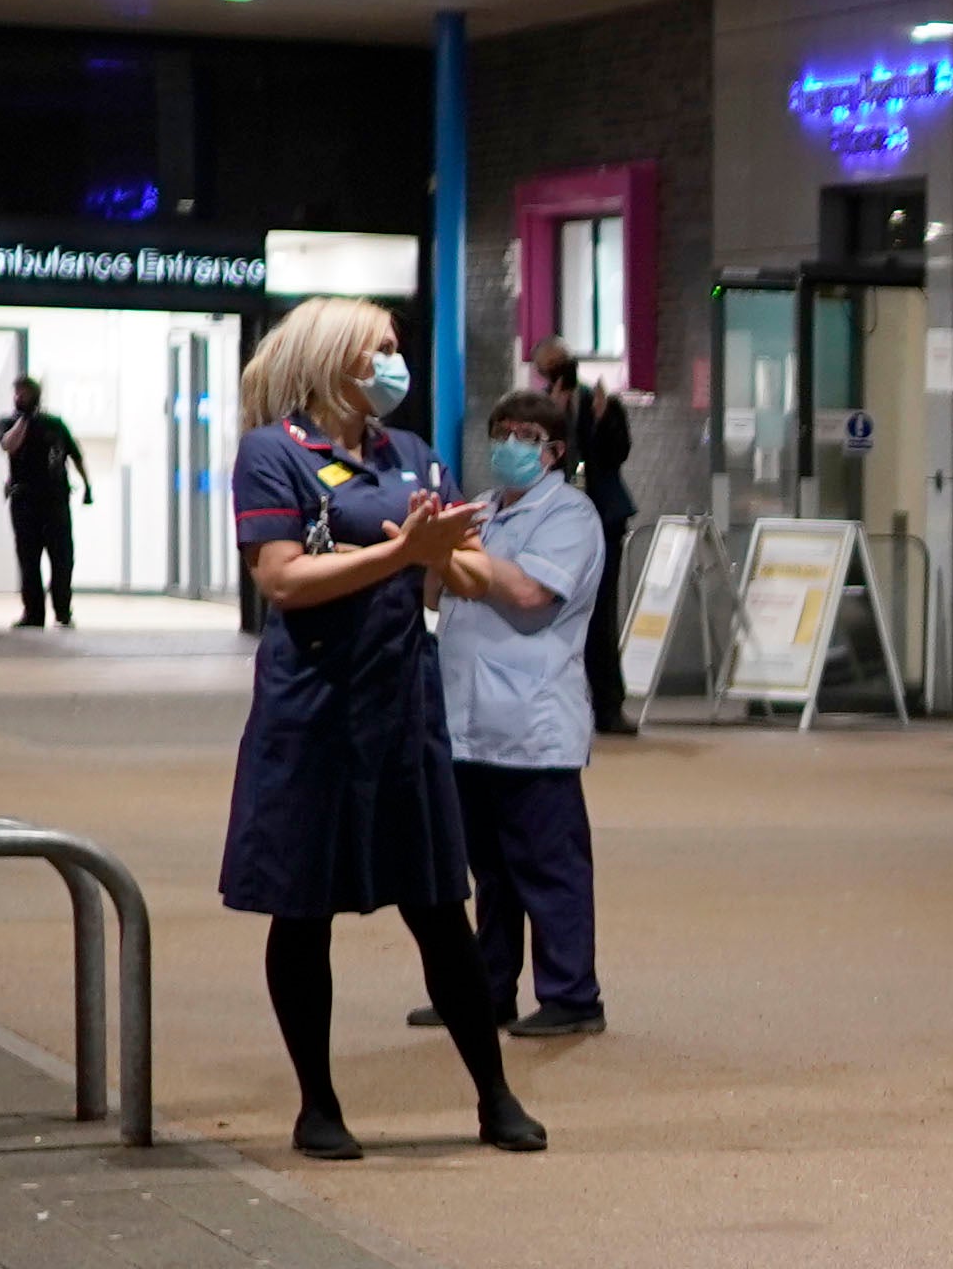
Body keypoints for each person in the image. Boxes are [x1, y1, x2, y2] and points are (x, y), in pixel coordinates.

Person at [222, 297, 542, 1162]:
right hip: (313, 717)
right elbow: (283, 581)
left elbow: (454, 572)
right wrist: (401, 555)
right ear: (334, 360)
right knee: (303, 914)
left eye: (396, 348)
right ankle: (317, 1105)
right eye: (380, 350)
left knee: (442, 908)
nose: (392, 366)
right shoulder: (273, 455)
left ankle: (495, 1095)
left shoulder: (409, 456)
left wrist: (452, 558)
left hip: (404, 712)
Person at [421, 386, 610, 1037]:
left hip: (533, 721)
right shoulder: (482, 512)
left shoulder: (570, 515)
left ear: (553, 451)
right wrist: (434, 547)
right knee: (488, 871)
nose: (507, 444)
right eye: (501, 430)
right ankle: (487, 988)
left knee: (547, 867)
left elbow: (530, 592)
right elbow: (432, 586)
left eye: (524, 435)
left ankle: (572, 995)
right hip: (467, 720)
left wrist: (455, 550)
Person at [536, 339, 642, 735]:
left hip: (603, 518)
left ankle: (609, 706)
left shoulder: (602, 402)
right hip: (556, 521)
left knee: (603, 616)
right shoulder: (539, 409)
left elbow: (619, 454)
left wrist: (600, 420)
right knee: (555, 613)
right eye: (550, 366)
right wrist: (556, 419)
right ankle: (559, 705)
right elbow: (538, 463)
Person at [0, 376, 88, 629]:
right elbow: (9, 445)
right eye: (17, 393)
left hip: (54, 500)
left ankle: (62, 610)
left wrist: (87, 486)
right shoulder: (9, 422)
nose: (19, 398)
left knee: (62, 558)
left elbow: (74, 455)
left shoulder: (54, 424)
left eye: (24, 393)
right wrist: (25, 419)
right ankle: (33, 613)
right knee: (29, 560)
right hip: (25, 500)